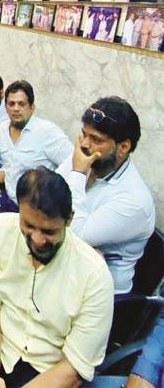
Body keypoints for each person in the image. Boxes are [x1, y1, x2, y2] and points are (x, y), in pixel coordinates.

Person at [0, 167, 114, 388]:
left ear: (69, 220)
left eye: (49, 231)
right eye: (28, 226)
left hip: (46, 367)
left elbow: (74, 368)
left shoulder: (94, 275)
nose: (38, 240)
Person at [56, 96, 155, 295]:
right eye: (83, 134)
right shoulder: (87, 156)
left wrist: (77, 174)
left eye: (96, 140)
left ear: (124, 147)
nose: (85, 144)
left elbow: (76, 235)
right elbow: (45, 194)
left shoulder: (135, 201)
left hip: (101, 295)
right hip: (63, 265)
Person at [0, 80, 72, 212]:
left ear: (32, 107)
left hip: (37, 210)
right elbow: (9, 164)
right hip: (8, 202)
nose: (16, 108)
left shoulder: (47, 132)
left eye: (21, 104)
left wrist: (49, 190)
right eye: (11, 104)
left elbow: (73, 163)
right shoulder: (3, 129)